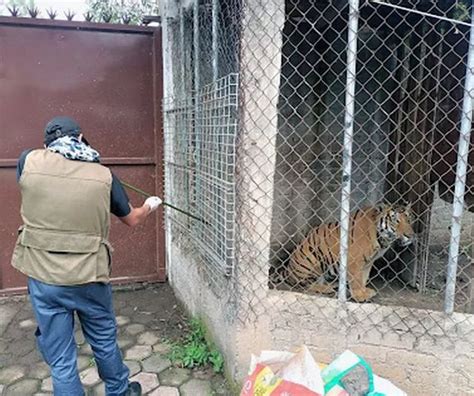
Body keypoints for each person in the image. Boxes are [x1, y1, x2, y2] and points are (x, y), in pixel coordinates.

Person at [11, 116, 162, 396]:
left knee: (61, 356)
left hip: (44, 278)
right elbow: (131, 219)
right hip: (89, 277)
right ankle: (120, 391)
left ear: (46, 145)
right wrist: (149, 205)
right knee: (103, 339)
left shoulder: (27, 161)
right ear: (81, 138)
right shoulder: (103, 175)